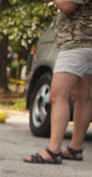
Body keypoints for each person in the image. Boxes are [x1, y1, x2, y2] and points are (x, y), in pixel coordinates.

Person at [24, 0, 92, 164]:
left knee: (57, 95)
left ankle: (53, 150)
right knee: (82, 96)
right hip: (87, 43)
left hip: (76, 43)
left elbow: (69, 6)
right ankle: (75, 148)